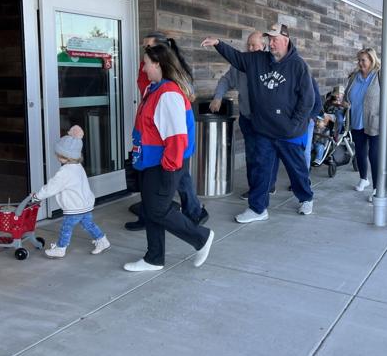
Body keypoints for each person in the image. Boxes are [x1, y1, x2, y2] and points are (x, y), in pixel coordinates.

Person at [201, 23, 315, 221]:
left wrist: (294, 124)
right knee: (260, 169)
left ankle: (306, 197)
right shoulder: (257, 60)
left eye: (274, 39)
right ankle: (258, 209)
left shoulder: (298, 66)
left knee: (296, 169)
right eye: (269, 39)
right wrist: (218, 44)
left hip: (288, 132)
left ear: (285, 40)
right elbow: (236, 57)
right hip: (263, 129)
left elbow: (308, 99)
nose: (270, 43)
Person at [124, 44, 214, 272]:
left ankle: (201, 238)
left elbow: (176, 137)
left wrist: (169, 168)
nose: (143, 69)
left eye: (146, 64)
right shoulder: (153, 89)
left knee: (156, 210)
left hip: (164, 164)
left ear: (157, 64)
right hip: (149, 162)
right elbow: (142, 81)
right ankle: (154, 257)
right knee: (151, 209)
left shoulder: (168, 94)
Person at [210, 31, 278, 199]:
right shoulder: (240, 64)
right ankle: (255, 188)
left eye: (253, 45)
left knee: (266, 154)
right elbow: (226, 80)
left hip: (266, 120)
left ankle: (268, 185)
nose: (249, 48)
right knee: (251, 154)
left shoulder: (271, 63)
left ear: (263, 46)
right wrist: (218, 97)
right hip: (247, 119)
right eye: (248, 44)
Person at [34, 126, 110, 259]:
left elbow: (51, 187)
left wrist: (37, 196)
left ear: (65, 157)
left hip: (75, 207)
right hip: (85, 204)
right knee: (89, 224)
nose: (57, 156)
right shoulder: (78, 167)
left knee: (66, 228)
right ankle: (103, 240)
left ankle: (60, 248)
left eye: (58, 154)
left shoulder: (65, 172)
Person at [345, 48, 381, 201]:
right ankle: (363, 178)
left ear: (372, 61)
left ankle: (377, 187)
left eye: (363, 60)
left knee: (374, 154)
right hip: (357, 120)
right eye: (359, 60)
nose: (360, 63)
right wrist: (345, 101)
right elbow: (347, 94)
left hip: (374, 121)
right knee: (360, 151)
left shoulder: (379, 76)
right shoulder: (354, 76)